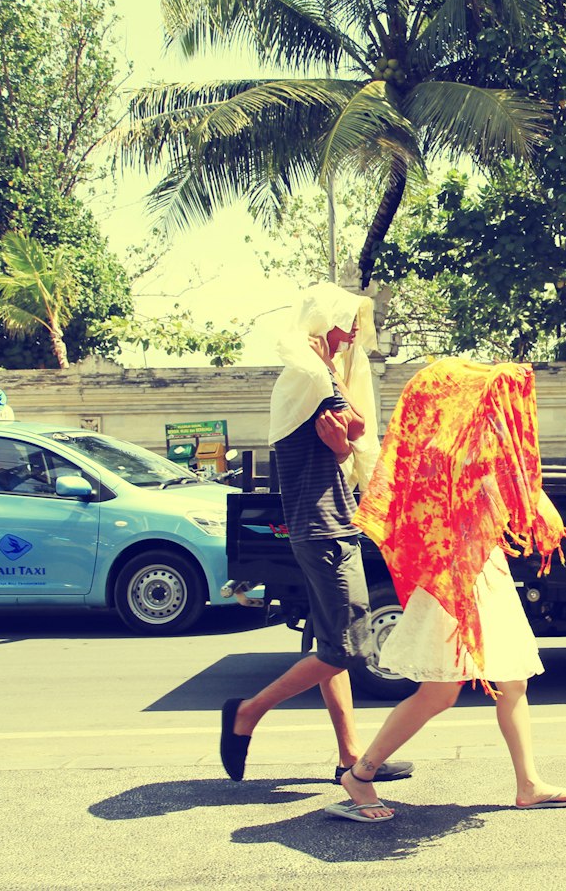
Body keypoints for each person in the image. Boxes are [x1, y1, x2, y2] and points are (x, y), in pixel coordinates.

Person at [325, 359, 566, 822]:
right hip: (450, 582)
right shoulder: (443, 453)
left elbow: (515, 487)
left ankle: (528, 783)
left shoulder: (478, 445)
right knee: (439, 693)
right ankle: (360, 775)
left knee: (512, 682)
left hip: (484, 572)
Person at [219, 284, 412, 786]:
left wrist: (346, 449)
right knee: (349, 646)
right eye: (345, 320)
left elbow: (347, 440)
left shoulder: (309, 373)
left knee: (334, 640)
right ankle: (248, 712)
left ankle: (351, 755)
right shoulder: (311, 373)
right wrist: (348, 439)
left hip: (325, 522)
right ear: (320, 319)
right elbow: (357, 423)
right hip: (326, 527)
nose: (353, 332)